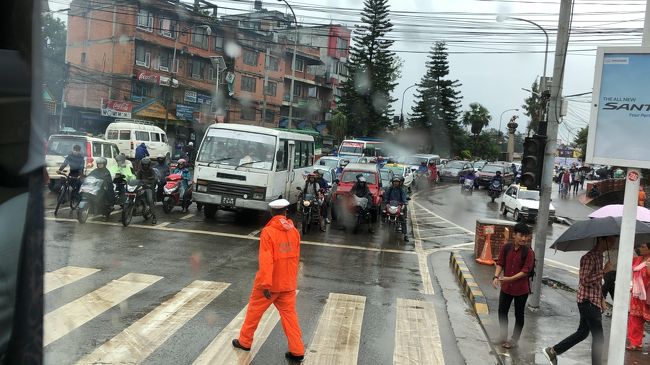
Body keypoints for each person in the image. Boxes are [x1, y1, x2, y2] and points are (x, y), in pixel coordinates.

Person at [232, 199, 305, 362]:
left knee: (254, 313)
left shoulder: (269, 232)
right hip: (287, 284)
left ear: (271, 212)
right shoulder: (294, 232)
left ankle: (245, 341)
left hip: (269, 284)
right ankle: (297, 350)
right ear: (286, 212)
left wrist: (266, 284)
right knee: (290, 317)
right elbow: (295, 258)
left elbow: (266, 260)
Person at [543, 236, 618, 365]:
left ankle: (553, 351)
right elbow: (584, 280)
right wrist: (604, 271)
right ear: (602, 240)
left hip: (593, 301)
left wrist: (601, 299)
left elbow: (597, 283)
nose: (613, 243)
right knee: (599, 338)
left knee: (582, 333)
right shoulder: (589, 257)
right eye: (611, 240)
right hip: (587, 302)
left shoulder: (600, 256)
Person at [492, 222, 534, 349]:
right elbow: (500, 263)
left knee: (519, 314)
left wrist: (509, 279)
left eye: (526, 236)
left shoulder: (529, 253)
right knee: (502, 311)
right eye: (521, 235)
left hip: (521, 290)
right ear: (514, 235)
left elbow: (525, 271)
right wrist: (495, 276)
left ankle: (514, 340)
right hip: (506, 288)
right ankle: (503, 335)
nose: (524, 239)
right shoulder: (506, 248)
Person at [626, 242, 650, 351]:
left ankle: (636, 341)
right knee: (634, 318)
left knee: (642, 318)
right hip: (637, 295)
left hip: (647, 296)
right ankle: (635, 342)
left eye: (643, 247)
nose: (641, 248)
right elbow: (626, 262)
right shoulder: (638, 259)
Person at [384, 176, 409, 242]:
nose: (396, 183)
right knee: (383, 213)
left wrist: (404, 203)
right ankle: (384, 225)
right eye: (395, 182)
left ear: (400, 183)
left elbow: (404, 198)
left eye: (397, 182)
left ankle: (405, 235)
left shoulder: (402, 190)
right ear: (392, 182)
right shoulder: (390, 189)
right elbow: (386, 196)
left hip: (399, 206)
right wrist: (385, 201)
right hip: (390, 205)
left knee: (403, 219)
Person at [136, 157, 158, 224]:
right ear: (142, 164)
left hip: (148, 187)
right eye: (144, 164)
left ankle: (154, 217)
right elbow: (137, 178)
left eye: (146, 164)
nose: (145, 166)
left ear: (149, 165)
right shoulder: (140, 171)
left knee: (150, 200)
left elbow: (154, 177)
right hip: (141, 187)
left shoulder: (151, 170)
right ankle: (125, 214)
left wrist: (150, 180)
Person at [601, 244, 618, 316]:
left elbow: (611, 263)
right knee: (611, 289)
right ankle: (618, 306)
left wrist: (604, 271)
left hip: (612, 271)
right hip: (608, 272)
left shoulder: (616, 248)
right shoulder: (607, 249)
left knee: (605, 288)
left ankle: (600, 304)